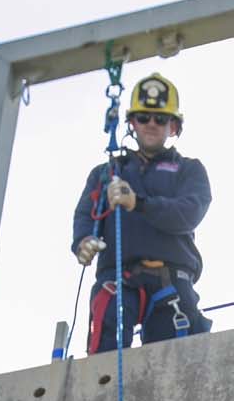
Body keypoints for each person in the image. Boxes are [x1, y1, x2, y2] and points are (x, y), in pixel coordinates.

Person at [72, 73, 212, 354]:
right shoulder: (107, 173)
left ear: (173, 126)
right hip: (119, 277)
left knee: (179, 356)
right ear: (132, 123)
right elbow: (86, 213)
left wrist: (140, 203)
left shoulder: (188, 170)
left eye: (160, 119)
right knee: (107, 324)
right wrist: (83, 241)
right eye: (144, 117)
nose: (151, 124)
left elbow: (189, 212)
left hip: (171, 279)